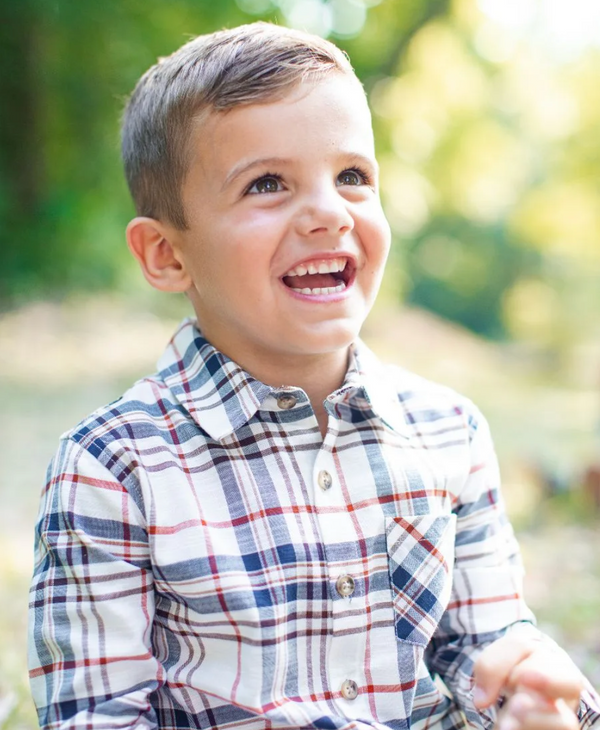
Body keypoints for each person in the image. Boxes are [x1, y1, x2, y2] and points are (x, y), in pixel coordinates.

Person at [28, 22, 600, 730]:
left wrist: (531, 695)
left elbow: (485, 653)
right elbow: (96, 718)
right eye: (267, 184)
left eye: (353, 176)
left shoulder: (450, 434)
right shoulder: (113, 470)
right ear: (168, 255)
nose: (329, 211)